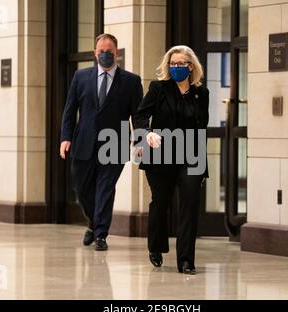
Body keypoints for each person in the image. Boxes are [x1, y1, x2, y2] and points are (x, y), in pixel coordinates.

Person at [60, 34, 143, 251]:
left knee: (105, 188)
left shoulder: (131, 81)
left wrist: (140, 140)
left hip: (114, 143)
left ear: (116, 53)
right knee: (81, 188)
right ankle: (93, 221)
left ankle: (101, 234)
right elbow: (70, 110)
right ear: (95, 53)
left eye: (109, 51)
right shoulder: (81, 77)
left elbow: (138, 115)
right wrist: (65, 137)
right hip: (83, 142)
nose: (104, 54)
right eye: (100, 51)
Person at [133, 45, 209, 275]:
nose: (176, 67)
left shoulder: (201, 93)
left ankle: (186, 260)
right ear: (168, 66)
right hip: (160, 154)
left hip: (191, 155)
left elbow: (202, 124)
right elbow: (140, 115)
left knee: (189, 205)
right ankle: (156, 246)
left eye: (181, 64)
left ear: (191, 66)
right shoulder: (158, 88)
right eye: (172, 64)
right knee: (161, 202)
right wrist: (146, 133)